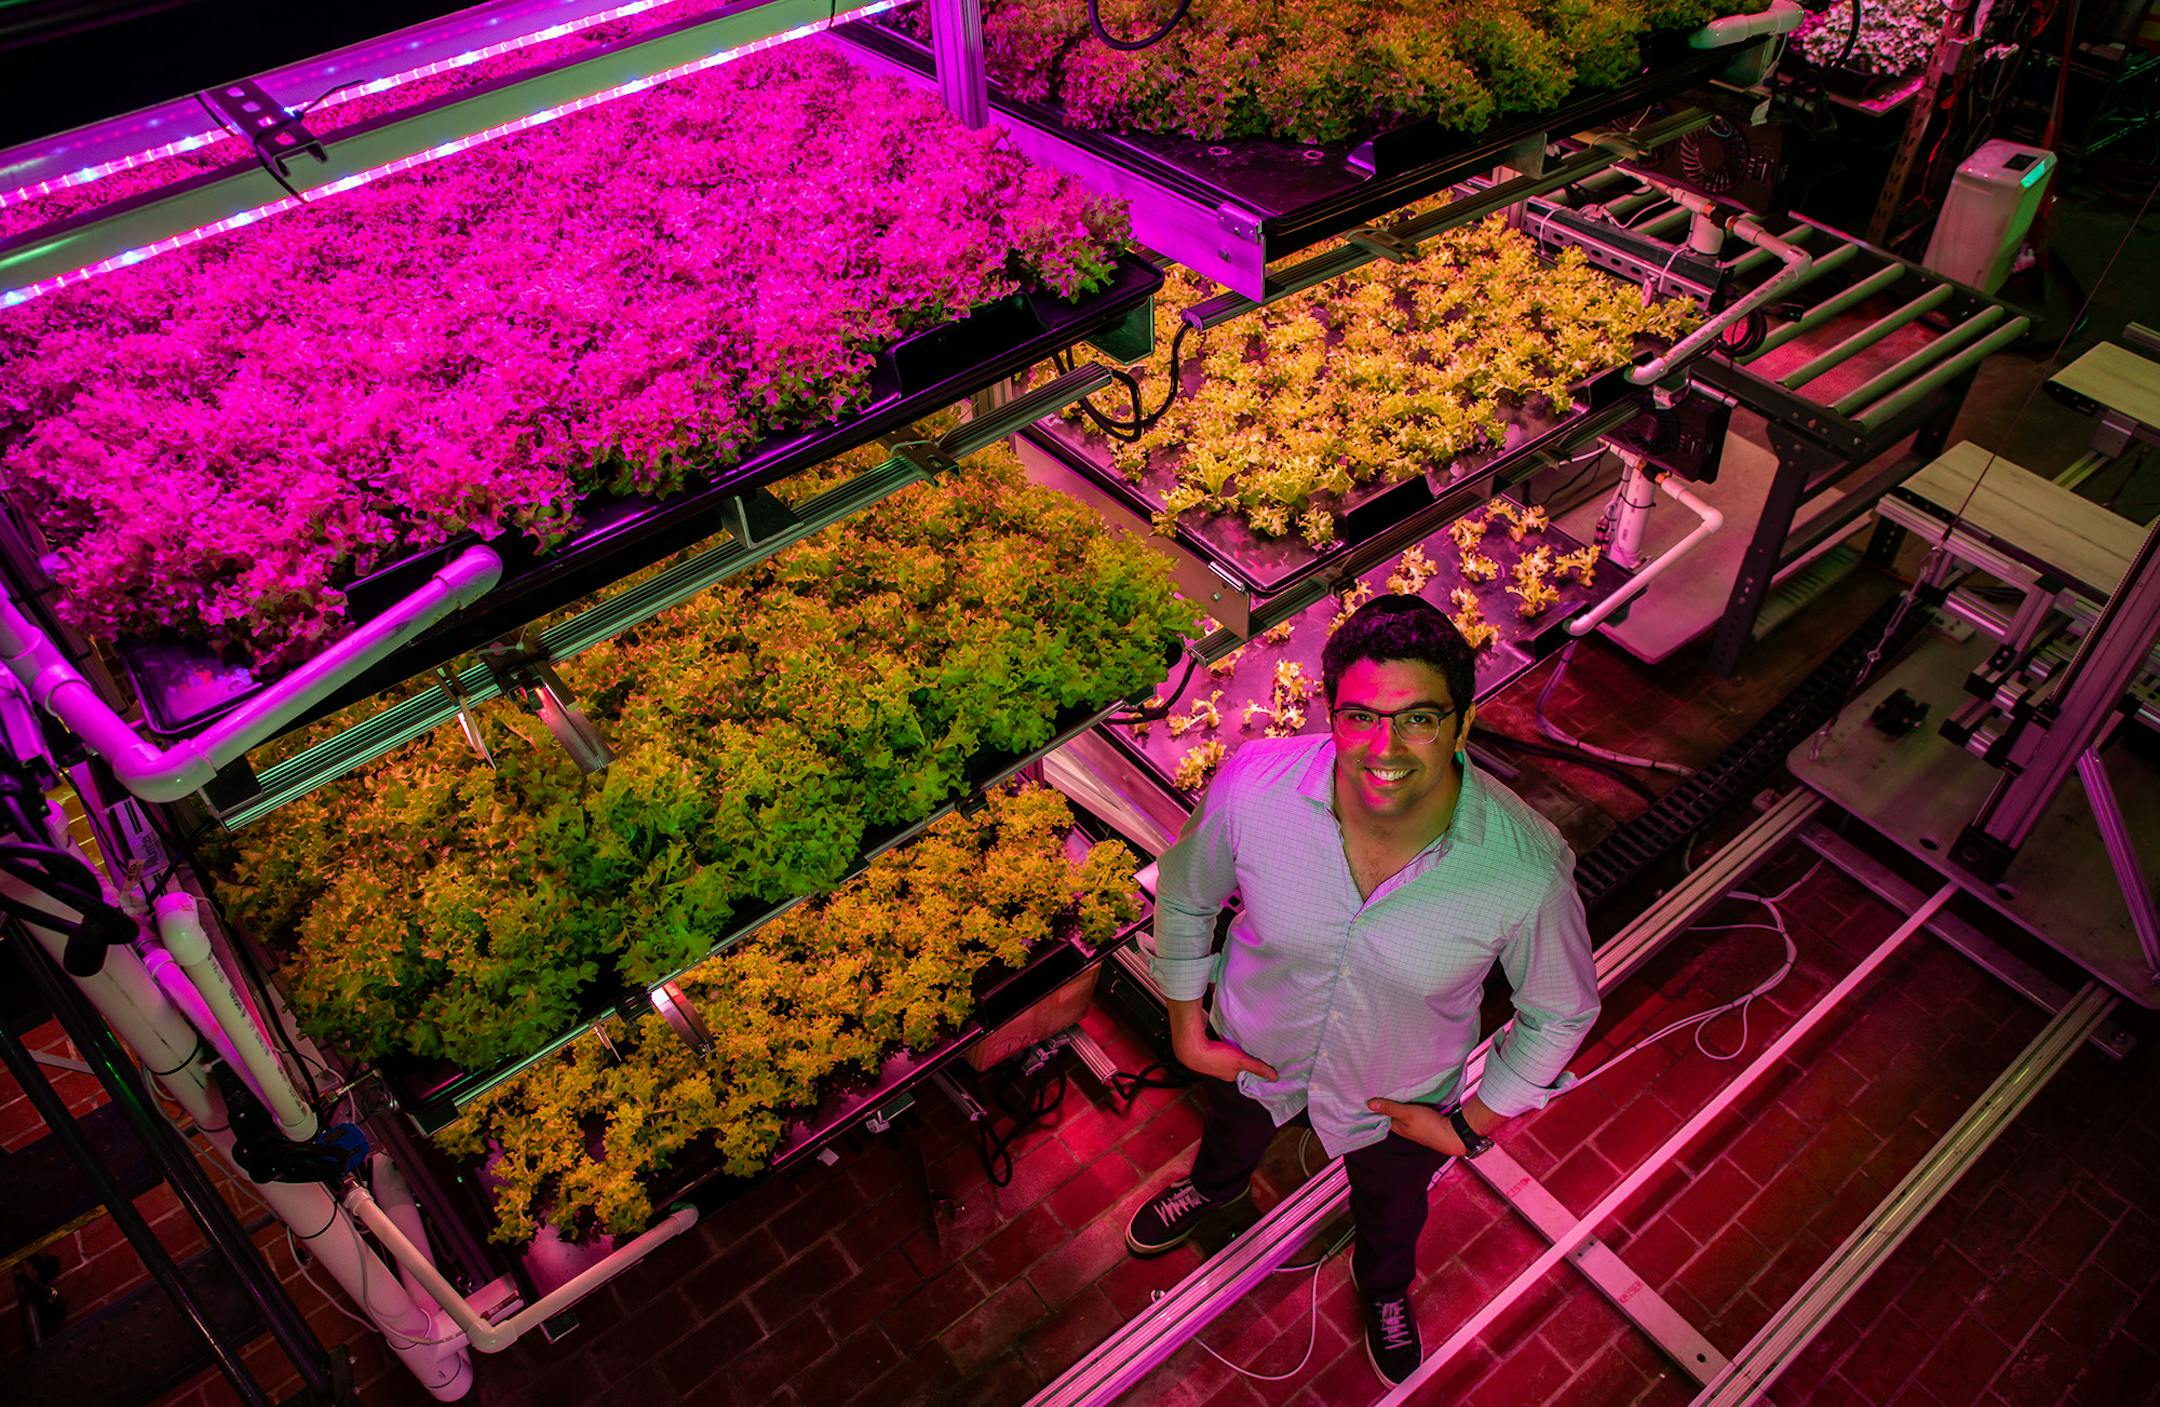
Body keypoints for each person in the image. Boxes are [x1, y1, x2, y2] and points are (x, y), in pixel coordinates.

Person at [1124, 593, 1601, 1387]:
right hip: (1252, 1048)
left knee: (1392, 1210)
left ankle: (1383, 1286)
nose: (1386, 747)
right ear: (1331, 711)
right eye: (1360, 716)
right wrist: (1185, 1028)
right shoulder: (1255, 787)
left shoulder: (1523, 867)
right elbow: (1185, 893)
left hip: (1400, 1100)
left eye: (1418, 718)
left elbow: (1561, 1009)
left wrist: (1472, 1124)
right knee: (1230, 1133)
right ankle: (1213, 1188)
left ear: (1462, 723)